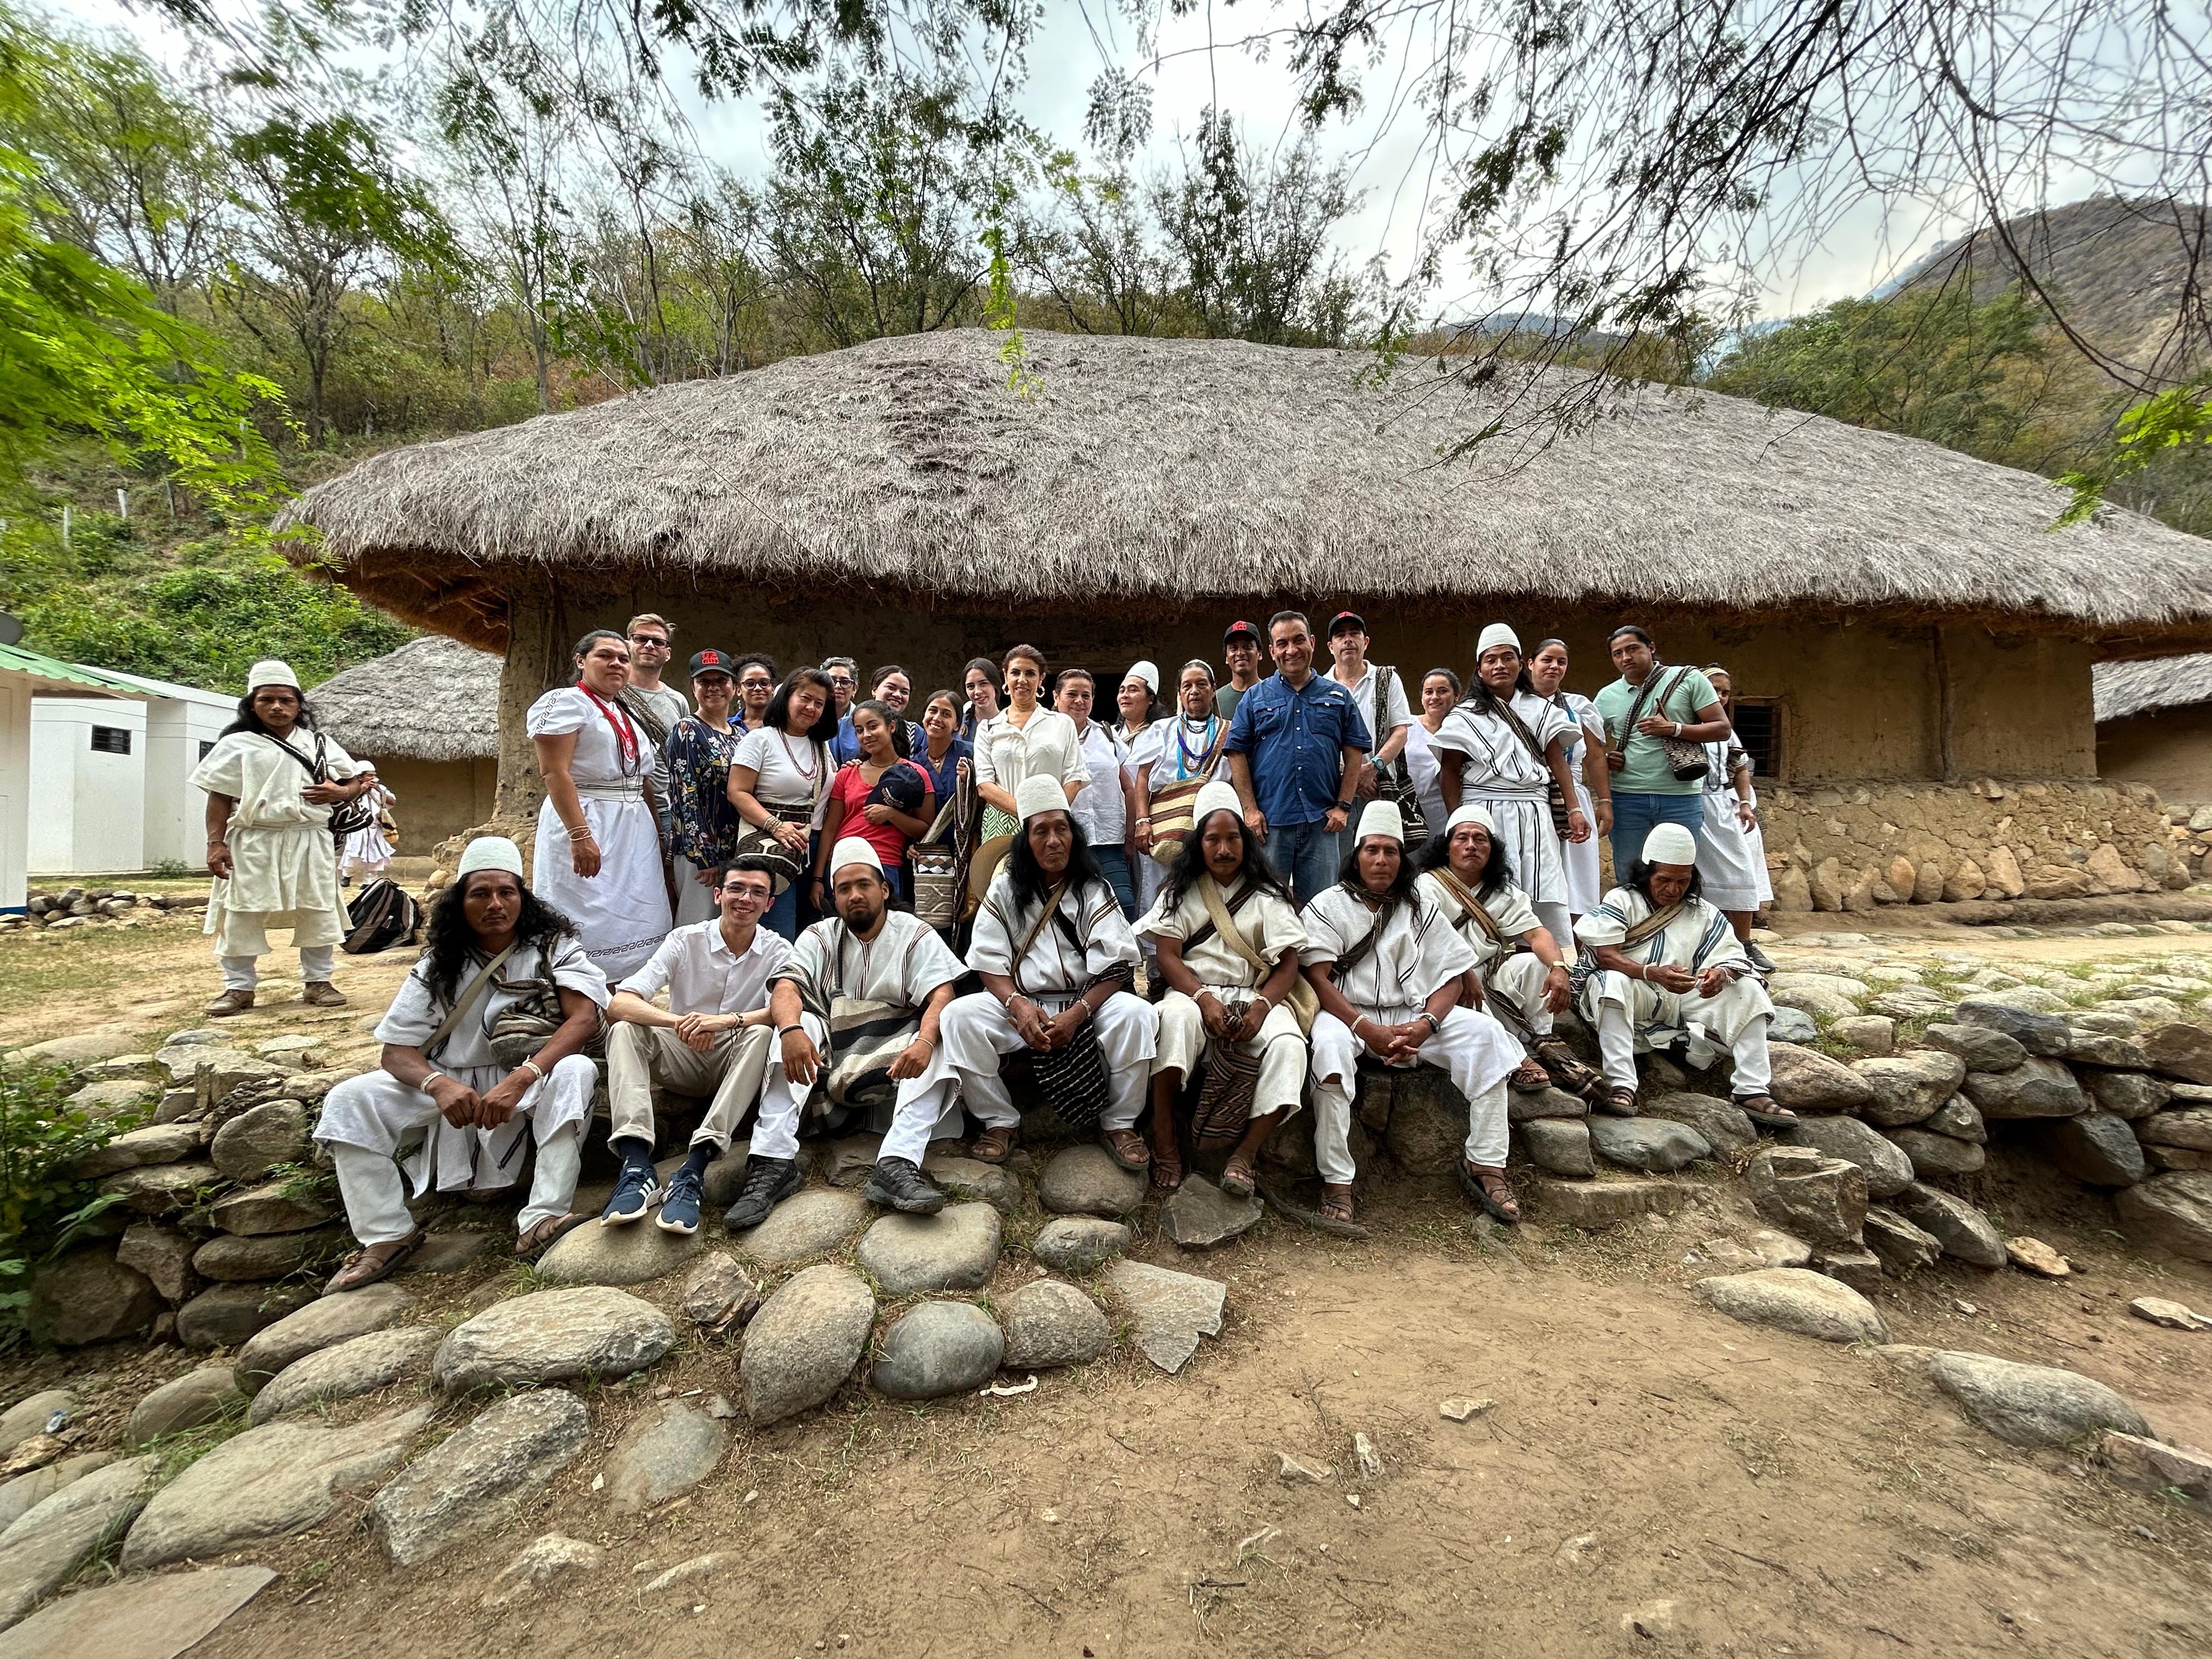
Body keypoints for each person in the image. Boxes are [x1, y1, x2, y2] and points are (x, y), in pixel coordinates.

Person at [317, 837, 603, 1289]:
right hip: (453, 1086)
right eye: (480, 894)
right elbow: (395, 1051)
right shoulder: (439, 964)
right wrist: (437, 1084)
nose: (495, 904)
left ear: (522, 899)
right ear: (460, 902)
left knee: (576, 1071)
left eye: (506, 893)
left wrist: (525, 1075)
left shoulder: (552, 947)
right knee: (348, 1100)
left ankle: (542, 1217)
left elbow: (584, 1019)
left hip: (530, 1076)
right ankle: (388, 1235)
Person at [1300, 802, 1525, 1227]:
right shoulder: (1327, 905)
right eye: (1372, 851)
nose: (1381, 860)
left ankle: (1487, 1165)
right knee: (1328, 1052)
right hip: (1348, 1015)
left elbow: (1452, 979)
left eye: (1391, 852)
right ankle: (1337, 1180)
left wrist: (1426, 1025)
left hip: (1414, 1017)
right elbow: (1317, 977)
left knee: (1487, 1035)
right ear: (1357, 855)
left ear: (1403, 858)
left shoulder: (1420, 905)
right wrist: (1365, 1029)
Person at [727, 838, 966, 1223]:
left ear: (885, 890)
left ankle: (897, 1163)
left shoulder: (915, 932)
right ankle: (772, 1163)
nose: (855, 895)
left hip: (897, 1061)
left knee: (938, 1034)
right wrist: (789, 1030)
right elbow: (786, 987)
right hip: (831, 1062)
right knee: (797, 1024)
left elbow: (943, 992)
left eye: (864, 885)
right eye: (844, 889)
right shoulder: (818, 936)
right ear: (834, 899)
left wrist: (923, 1041)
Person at [940, 777, 1160, 1168]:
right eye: (1041, 831)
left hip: (1087, 1004)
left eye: (1062, 828)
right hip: (1022, 1006)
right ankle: (1000, 1122)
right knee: (958, 1018)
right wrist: (1017, 1005)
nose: (1054, 840)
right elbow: (988, 965)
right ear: (1026, 840)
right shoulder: (1004, 890)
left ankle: (1120, 1124)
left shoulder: (1093, 888)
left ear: (1073, 835)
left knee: (1137, 1016)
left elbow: (1117, 967)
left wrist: (1078, 1014)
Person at [600, 860, 792, 1235]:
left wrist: (725, 1021)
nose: (745, 898)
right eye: (736, 888)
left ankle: (694, 1168)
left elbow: (784, 1009)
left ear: (768, 905)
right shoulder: (685, 940)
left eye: (757, 892)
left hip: (733, 1059)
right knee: (624, 1029)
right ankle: (637, 1163)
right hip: (682, 1055)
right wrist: (680, 1023)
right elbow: (619, 1002)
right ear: (718, 894)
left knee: (762, 1034)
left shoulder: (778, 950)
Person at [1137, 780, 1310, 1195]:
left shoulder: (1270, 894)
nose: (1224, 849)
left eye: (1233, 838)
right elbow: (1168, 956)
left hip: (1257, 996)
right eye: (1213, 840)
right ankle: (1163, 1135)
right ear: (1200, 843)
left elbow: (1288, 964)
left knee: (1290, 1046)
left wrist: (1263, 1008)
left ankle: (1244, 1155)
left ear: (1246, 842)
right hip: (1194, 992)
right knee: (1173, 1022)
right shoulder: (1178, 892)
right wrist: (1202, 998)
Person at [191, 658, 377, 1015]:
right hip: (253, 840)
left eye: (286, 700)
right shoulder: (237, 745)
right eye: (267, 700)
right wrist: (216, 843)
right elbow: (218, 796)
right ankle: (238, 988)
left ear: (298, 705)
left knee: (318, 909)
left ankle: (319, 982)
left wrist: (341, 793)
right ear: (252, 704)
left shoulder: (318, 743)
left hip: (310, 838)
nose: (277, 707)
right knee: (241, 912)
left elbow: (358, 781)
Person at [1573, 823, 1788, 1124]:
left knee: (1748, 988)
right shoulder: (1622, 900)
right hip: (1637, 992)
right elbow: (1605, 956)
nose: (1673, 889)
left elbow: (1732, 956)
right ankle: (1622, 1084)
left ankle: (1752, 1090)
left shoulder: (1704, 912)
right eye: (1664, 880)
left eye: (1683, 881)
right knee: (1611, 982)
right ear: (1647, 874)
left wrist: (1721, 975)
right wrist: (1651, 973)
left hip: (1686, 996)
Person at [1415, 804, 1602, 1098]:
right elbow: (1426, 944)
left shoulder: (1504, 893)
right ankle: (1520, 1060)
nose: (1471, 846)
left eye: (1480, 839)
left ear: (1492, 850)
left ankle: (1537, 1041)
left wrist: (1559, 968)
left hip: (1489, 972)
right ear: (1447, 847)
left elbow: (1537, 933)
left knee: (1535, 964)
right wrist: (1463, 973)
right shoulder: (1425, 887)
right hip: (1442, 977)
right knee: (1460, 991)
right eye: (1461, 838)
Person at [1429, 624, 1589, 951]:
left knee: (1540, 879)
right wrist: (1458, 821)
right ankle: (1487, 950)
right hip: (1484, 809)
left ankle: (1538, 953)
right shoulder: (1464, 715)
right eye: (1491, 660)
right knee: (1488, 880)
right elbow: (1449, 771)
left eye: (1507, 657)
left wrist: (1575, 809)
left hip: (1533, 811)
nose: (1499, 665)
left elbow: (1558, 763)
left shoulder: (1542, 709)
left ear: (1521, 663)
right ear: (1479, 669)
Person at [527, 630, 673, 981]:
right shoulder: (566, 703)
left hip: (632, 828)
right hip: (589, 818)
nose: (617, 664)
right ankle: (580, 989)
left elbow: (643, 780)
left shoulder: (624, 711)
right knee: (586, 907)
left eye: (623, 659)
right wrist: (580, 835)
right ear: (581, 661)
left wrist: (657, 830)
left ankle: (625, 993)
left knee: (635, 906)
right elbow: (554, 773)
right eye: (605, 656)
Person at [1225, 612, 1372, 907]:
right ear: (1272, 651)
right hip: (1270, 824)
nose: (1291, 650)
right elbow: (1236, 753)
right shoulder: (1254, 698)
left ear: (1313, 643)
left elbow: (1355, 752)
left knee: (1320, 911)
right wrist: (1250, 811)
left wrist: (1343, 806)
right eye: (1282, 644)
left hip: (1323, 823)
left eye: (1298, 640)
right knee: (1267, 909)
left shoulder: (1338, 695)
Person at [1592, 625, 1731, 880]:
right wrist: (1610, 758)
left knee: (1678, 872)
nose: (1626, 658)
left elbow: (1722, 729)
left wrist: (1674, 729)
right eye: (1617, 653)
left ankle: (1671, 921)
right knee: (1629, 871)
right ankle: (1635, 921)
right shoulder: (1607, 696)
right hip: (1627, 797)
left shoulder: (1688, 679)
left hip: (1680, 797)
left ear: (1651, 648)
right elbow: (1591, 748)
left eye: (1632, 649)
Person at [728, 668, 837, 940]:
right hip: (772, 850)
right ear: (787, 696)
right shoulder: (760, 739)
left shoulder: (822, 747)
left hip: (811, 851)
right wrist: (777, 827)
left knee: (809, 937)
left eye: (819, 703)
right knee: (778, 937)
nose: (811, 707)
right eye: (805, 698)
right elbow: (737, 792)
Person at [972, 644, 1089, 895]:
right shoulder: (989, 728)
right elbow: (984, 785)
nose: (1022, 680)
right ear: (1005, 676)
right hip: (1001, 825)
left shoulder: (1062, 724)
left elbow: (1074, 778)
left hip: (1051, 826)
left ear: (1041, 679)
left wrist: (1045, 815)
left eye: (1030, 674)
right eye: (1015, 673)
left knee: (1052, 894)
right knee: (1005, 896)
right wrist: (1026, 812)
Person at [1132, 661, 1230, 924]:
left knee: (1206, 901)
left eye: (1202, 684)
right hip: (1163, 830)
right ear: (1179, 694)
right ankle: (1156, 964)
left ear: (1214, 689)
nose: (1194, 691)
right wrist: (1142, 821)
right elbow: (1142, 780)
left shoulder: (1229, 733)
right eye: (1187, 686)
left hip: (1210, 831)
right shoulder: (1161, 730)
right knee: (1160, 900)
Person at [814, 698, 934, 906]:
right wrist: (817, 878)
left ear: (891, 727)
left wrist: (891, 815)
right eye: (859, 730)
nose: (866, 735)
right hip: (842, 862)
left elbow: (926, 829)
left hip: (885, 863)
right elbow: (830, 829)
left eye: (873, 726)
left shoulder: (915, 774)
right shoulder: (846, 774)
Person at [1527, 639, 1613, 922]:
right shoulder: (1515, 706)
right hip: (1533, 798)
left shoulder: (1578, 707)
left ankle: (1580, 950)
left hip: (1573, 797)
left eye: (1561, 662)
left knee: (1578, 876)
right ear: (1530, 664)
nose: (1554, 666)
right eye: (1547, 660)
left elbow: (1595, 757)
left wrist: (1605, 801)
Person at [1695, 667, 1775, 965]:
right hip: (1688, 804)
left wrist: (1745, 803)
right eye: (1712, 690)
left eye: (1724, 692)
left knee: (1741, 873)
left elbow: (1740, 767)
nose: (1719, 696)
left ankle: (1744, 945)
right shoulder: (1683, 721)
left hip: (1720, 806)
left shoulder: (1725, 729)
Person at [664, 648, 746, 925]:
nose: (713, 688)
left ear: (734, 688)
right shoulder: (687, 730)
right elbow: (684, 797)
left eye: (721, 681)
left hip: (735, 850)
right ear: (693, 688)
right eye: (705, 682)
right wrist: (704, 856)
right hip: (700, 856)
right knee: (697, 927)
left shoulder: (741, 735)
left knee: (730, 928)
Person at [1053, 668, 1138, 917]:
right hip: (1067, 842)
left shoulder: (1106, 735)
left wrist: (1130, 834)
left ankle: (1124, 959)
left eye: (1086, 695)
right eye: (1072, 694)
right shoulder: (1044, 737)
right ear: (1056, 697)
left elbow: (1129, 787)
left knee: (1124, 906)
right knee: (1072, 911)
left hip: (1109, 840)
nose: (1079, 701)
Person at [1323, 612, 1413, 805]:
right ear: (1331, 647)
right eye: (1340, 635)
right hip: (1335, 792)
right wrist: (1351, 778)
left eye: (1354, 633)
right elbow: (1318, 743)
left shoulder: (1387, 679)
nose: (1348, 640)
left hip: (1380, 788)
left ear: (1366, 642)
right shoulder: (1321, 688)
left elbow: (1401, 732)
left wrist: (1371, 770)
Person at [619, 613, 690, 840]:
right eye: (641, 639)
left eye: (658, 641)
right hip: (618, 805)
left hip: (664, 809)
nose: (649, 645)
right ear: (628, 644)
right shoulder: (611, 694)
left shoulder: (677, 701)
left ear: (667, 653)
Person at [1401, 668, 1459, 838]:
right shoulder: (1406, 727)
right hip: (1409, 813)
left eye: (1442, 691)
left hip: (1446, 812)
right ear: (1422, 697)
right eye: (1429, 692)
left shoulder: (1463, 731)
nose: (1435, 697)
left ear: (1457, 695)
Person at [340, 779, 398, 887]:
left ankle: (369, 881)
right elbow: (346, 801)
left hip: (375, 828)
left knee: (374, 855)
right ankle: (346, 876)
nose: (373, 778)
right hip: (358, 828)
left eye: (374, 775)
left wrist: (379, 790)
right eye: (369, 775)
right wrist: (361, 790)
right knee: (352, 853)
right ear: (361, 777)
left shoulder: (380, 788)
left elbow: (392, 802)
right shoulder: (354, 788)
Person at [1216, 620, 1263, 721]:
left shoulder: (1273, 695)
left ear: (1259, 654)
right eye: (1234, 648)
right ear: (1227, 658)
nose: (1240, 653)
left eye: (1247, 647)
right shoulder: (1216, 700)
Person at [960, 657, 1003, 744]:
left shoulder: (1009, 724)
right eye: (971, 686)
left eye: (983, 683)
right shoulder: (956, 723)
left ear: (995, 684)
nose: (978, 692)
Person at [732, 653, 778, 733]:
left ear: (773, 688)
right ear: (738, 690)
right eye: (750, 684)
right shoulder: (727, 727)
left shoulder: (784, 725)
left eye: (764, 683)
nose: (758, 688)